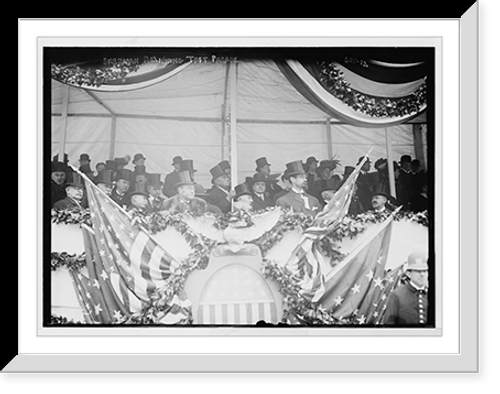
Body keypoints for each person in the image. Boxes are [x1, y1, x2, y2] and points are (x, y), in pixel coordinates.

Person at [384, 252, 429, 325]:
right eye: (418, 271)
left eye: (425, 271)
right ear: (409, 273)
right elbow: (389, 325)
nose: (422, 274)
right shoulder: (397, 295)